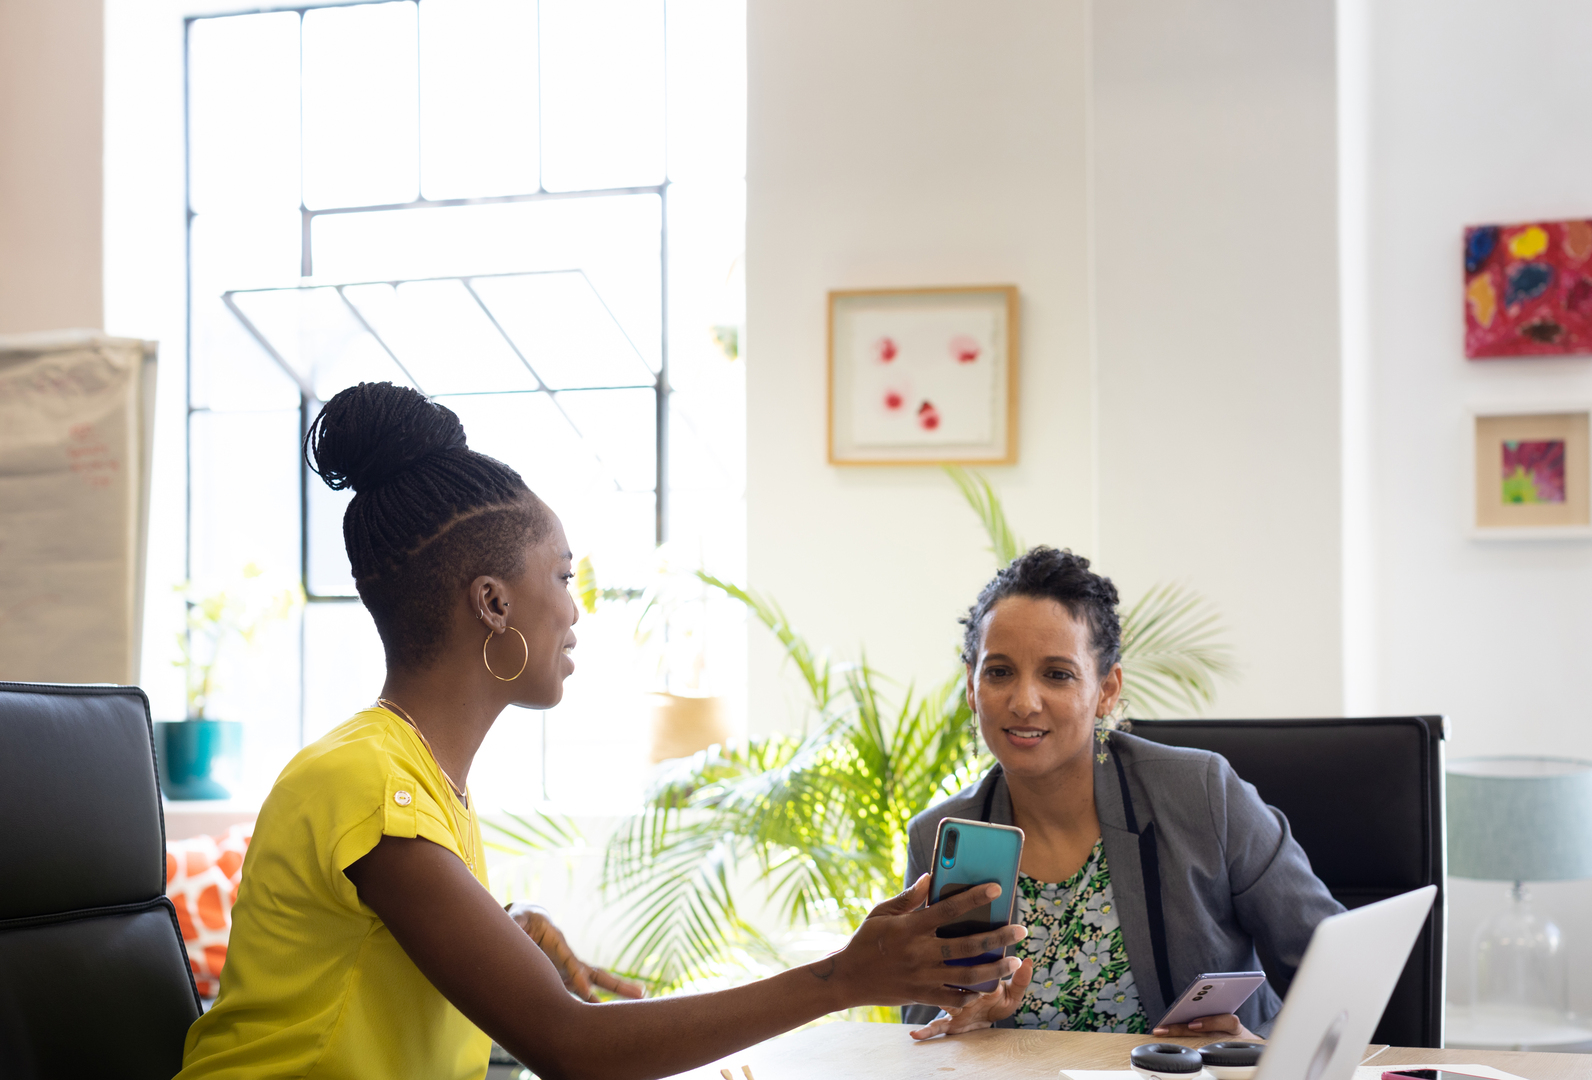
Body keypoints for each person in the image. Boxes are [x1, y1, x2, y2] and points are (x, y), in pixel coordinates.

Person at [175, 383, 1025, 1080]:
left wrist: (502, 924)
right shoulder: (366, 781)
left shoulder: (409, 776)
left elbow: (370, 961)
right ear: (493, 601)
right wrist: (847, 977)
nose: (575, 610)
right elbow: (569, 1046)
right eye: (563, 575)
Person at [902, 547, 1344, 1041]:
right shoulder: (938, 838)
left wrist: (1260, 1056)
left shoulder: (1202, 794)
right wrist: (963, 1024)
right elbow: (923, 1028)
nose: (1024, 702)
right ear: (970, 684)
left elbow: (1338, 970)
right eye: (999, 672)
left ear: (1107, 689)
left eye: (1057, 674)